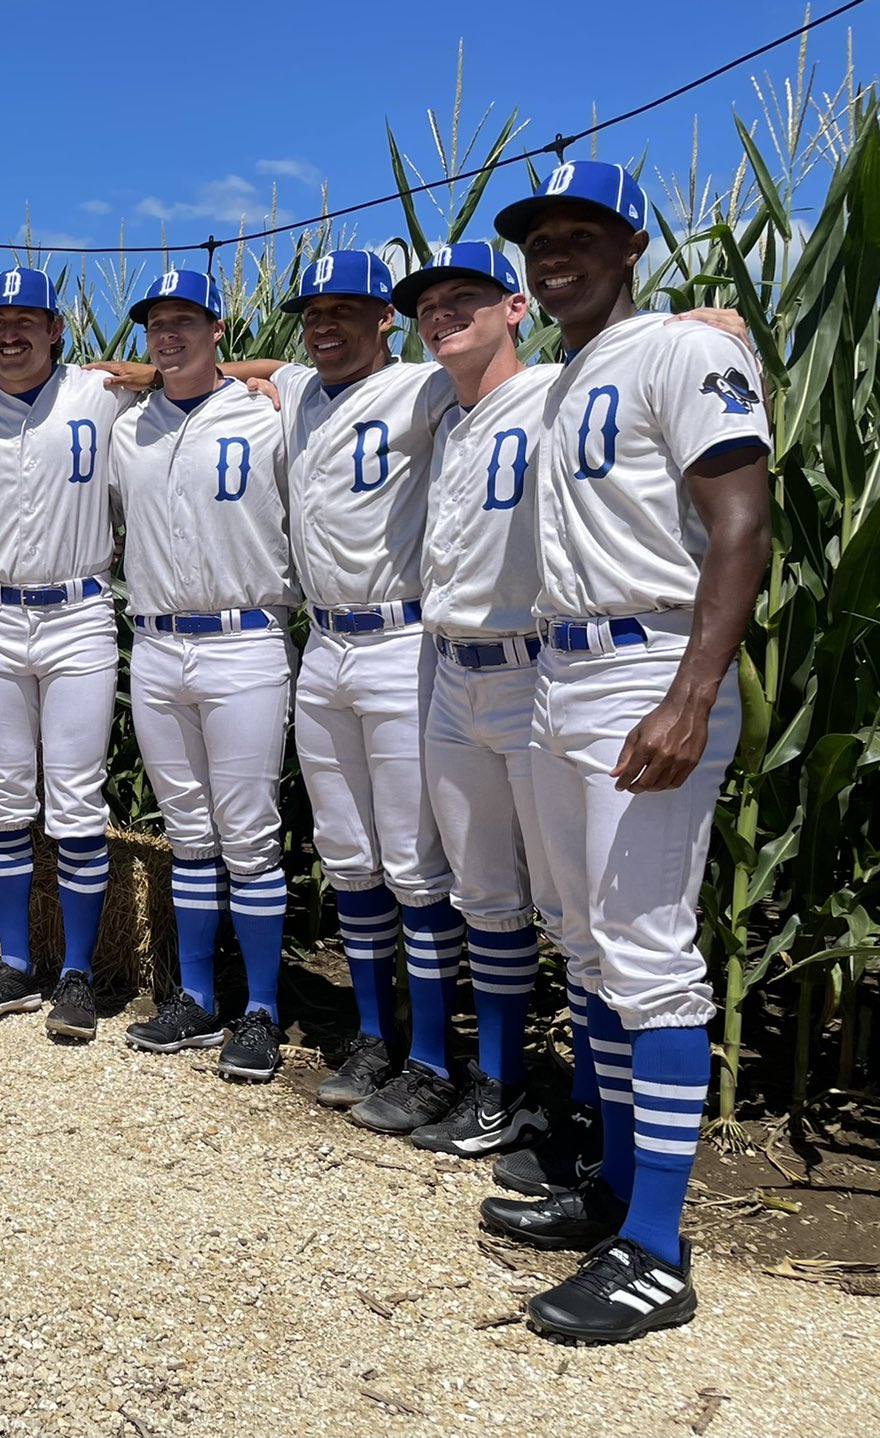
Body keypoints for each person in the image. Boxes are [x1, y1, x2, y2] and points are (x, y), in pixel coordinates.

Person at [477, 160, 771, 1344]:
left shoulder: (674, 350)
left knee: (648, 956)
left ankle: (654, 1250)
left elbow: (738, 520)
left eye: (580, 231)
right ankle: (608, 1190)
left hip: (647, 666)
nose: (555, 251)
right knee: (589, 946)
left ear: (629, 244)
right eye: (539, 236)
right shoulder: (561, 378)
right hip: (563, 669)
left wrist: (691, 691)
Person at [271, 250, 466, 1120]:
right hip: (323, 648)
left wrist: (698, 327)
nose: (326, 323)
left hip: (401, 641)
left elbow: (520, 380)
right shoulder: (298, 391)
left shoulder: (423, 390)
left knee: (416, 865)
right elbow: (241, 367)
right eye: (312, 310)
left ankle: (431, 1056)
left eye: (346, 308)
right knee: (349, 859)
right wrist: (131, 372)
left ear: (387, 317)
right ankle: (373, 1035)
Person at [383, 242, 558, 1147]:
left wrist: (704, 324)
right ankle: (496, 1084)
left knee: (569, 908)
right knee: (485, 896)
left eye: (467, 297)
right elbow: (301, 372)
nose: (443, 312)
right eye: (429, 303)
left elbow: (650, 366)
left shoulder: (559, 392)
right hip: (453, 673)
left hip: (537, 670)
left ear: (518, 306)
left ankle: (579, 1114)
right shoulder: (443, 416)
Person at [0, 267, 135, 1041]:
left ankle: (77, 974)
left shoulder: (100, 393)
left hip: (79, 612)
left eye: (27, 319)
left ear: (57, 328)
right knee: (6, 796)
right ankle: (16, 963)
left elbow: (195, 378)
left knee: (77, 797)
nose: (9, 334)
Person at [109, 269, 297, 1079]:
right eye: (157, 323)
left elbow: (302, 377)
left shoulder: (266, 416)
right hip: (154, 645)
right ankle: (194, 996)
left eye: (185, 319)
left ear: (219, 328)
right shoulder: (126, 427)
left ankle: (261, 1008)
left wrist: (260, 372)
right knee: (188, 834)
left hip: (244, 638)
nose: (169, 333)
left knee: (249, 836)